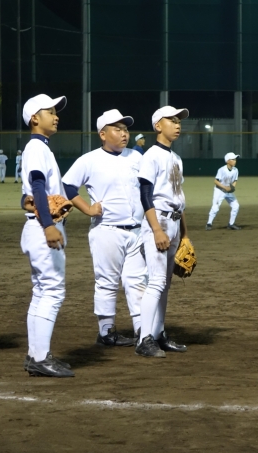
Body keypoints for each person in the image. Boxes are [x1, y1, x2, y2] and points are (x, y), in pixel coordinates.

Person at [61, 109, 146, 347]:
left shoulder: (136, 157)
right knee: (107, 281)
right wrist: (87, 209)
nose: (124, 133)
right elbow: (67, 186)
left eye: (125, 129)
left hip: (138, 231)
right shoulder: (89, 160)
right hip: (107, 230)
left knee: (138, 281)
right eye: (117, 129)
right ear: (102, 134)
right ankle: (106, 332)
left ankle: (143, 331)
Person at [20, 93, 74, 378]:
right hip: (43, 227)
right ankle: (41, 358)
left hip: (36, 225)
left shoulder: (39, 148)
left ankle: (35, 355)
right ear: (34, 118)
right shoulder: (36, 148)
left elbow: (29, 195)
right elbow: (38, 187)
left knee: (42, 291)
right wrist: (49, 225)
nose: (56, 116)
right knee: (52, 290)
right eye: (50, 111)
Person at [135, 105, 190, 358]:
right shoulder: (151, 156)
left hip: (174, 223)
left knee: (165, 284)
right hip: (158, 221)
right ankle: (144, 339)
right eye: (172, 120)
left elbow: (179, 198)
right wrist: (156, 229)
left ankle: (158, 334)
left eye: (179, 121)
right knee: (156, 282)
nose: (178, 125)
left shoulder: (176, 158)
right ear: (158, 126)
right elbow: (145, 194)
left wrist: (185, 234)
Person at [206, 152, 241, 231]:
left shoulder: (235, 170)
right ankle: (209, 223)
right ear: (228, 161)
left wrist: (232, 187)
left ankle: (231, 224)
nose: (235, 161)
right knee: (215, 207)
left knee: (236, 206)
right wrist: (225, 187)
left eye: (235, 159)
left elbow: (235, 180)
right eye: (233, 159)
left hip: (228, 191)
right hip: (219, 191)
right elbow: (216, 181)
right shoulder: (222, 170)